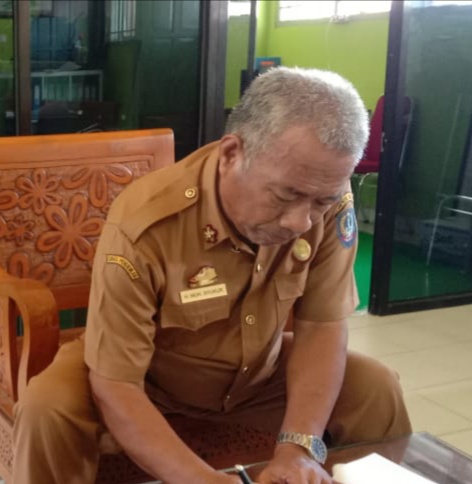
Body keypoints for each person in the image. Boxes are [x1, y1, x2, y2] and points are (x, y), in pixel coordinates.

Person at [12, 67, 411, 484]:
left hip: (257, 374)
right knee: (48, 408)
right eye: (285, 195)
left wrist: (298, 447)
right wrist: (202, 480)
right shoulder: (146, 224)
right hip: (148, 375)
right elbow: (116, 383)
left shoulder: (325, 193)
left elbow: (322, 327)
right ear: (231, 154)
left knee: (376, 388)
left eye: (321, 201)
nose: (300, 221)